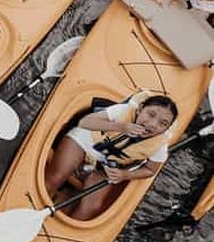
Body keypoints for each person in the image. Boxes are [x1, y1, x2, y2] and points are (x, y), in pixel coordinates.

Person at [45, 93, 177, 221]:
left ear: (167, 128)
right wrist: (122, 127)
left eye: (163, 123)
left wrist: (125, 174)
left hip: (104, 166)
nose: (153, 124)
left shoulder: (160, 144)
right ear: (140, 108)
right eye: (151, 114)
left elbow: (151, 170)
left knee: (92, 207)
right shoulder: (123, 111)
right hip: (84, 142)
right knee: (55, 178)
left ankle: (63, 229)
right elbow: (85, 122)